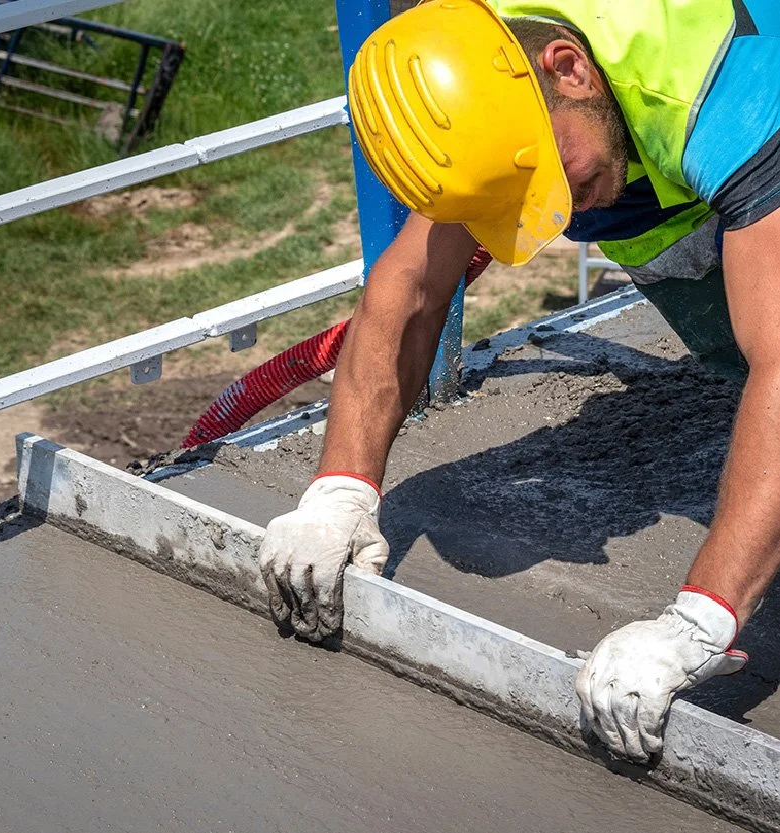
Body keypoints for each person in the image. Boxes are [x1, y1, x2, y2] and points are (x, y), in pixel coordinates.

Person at [259, 0, 780, 762]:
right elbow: (409, 288)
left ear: (568, 67)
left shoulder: (721, 95)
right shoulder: (489, 85)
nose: (554, 205)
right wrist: (339, 493)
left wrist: (699, 619)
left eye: (541, 173)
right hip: (666, 183)